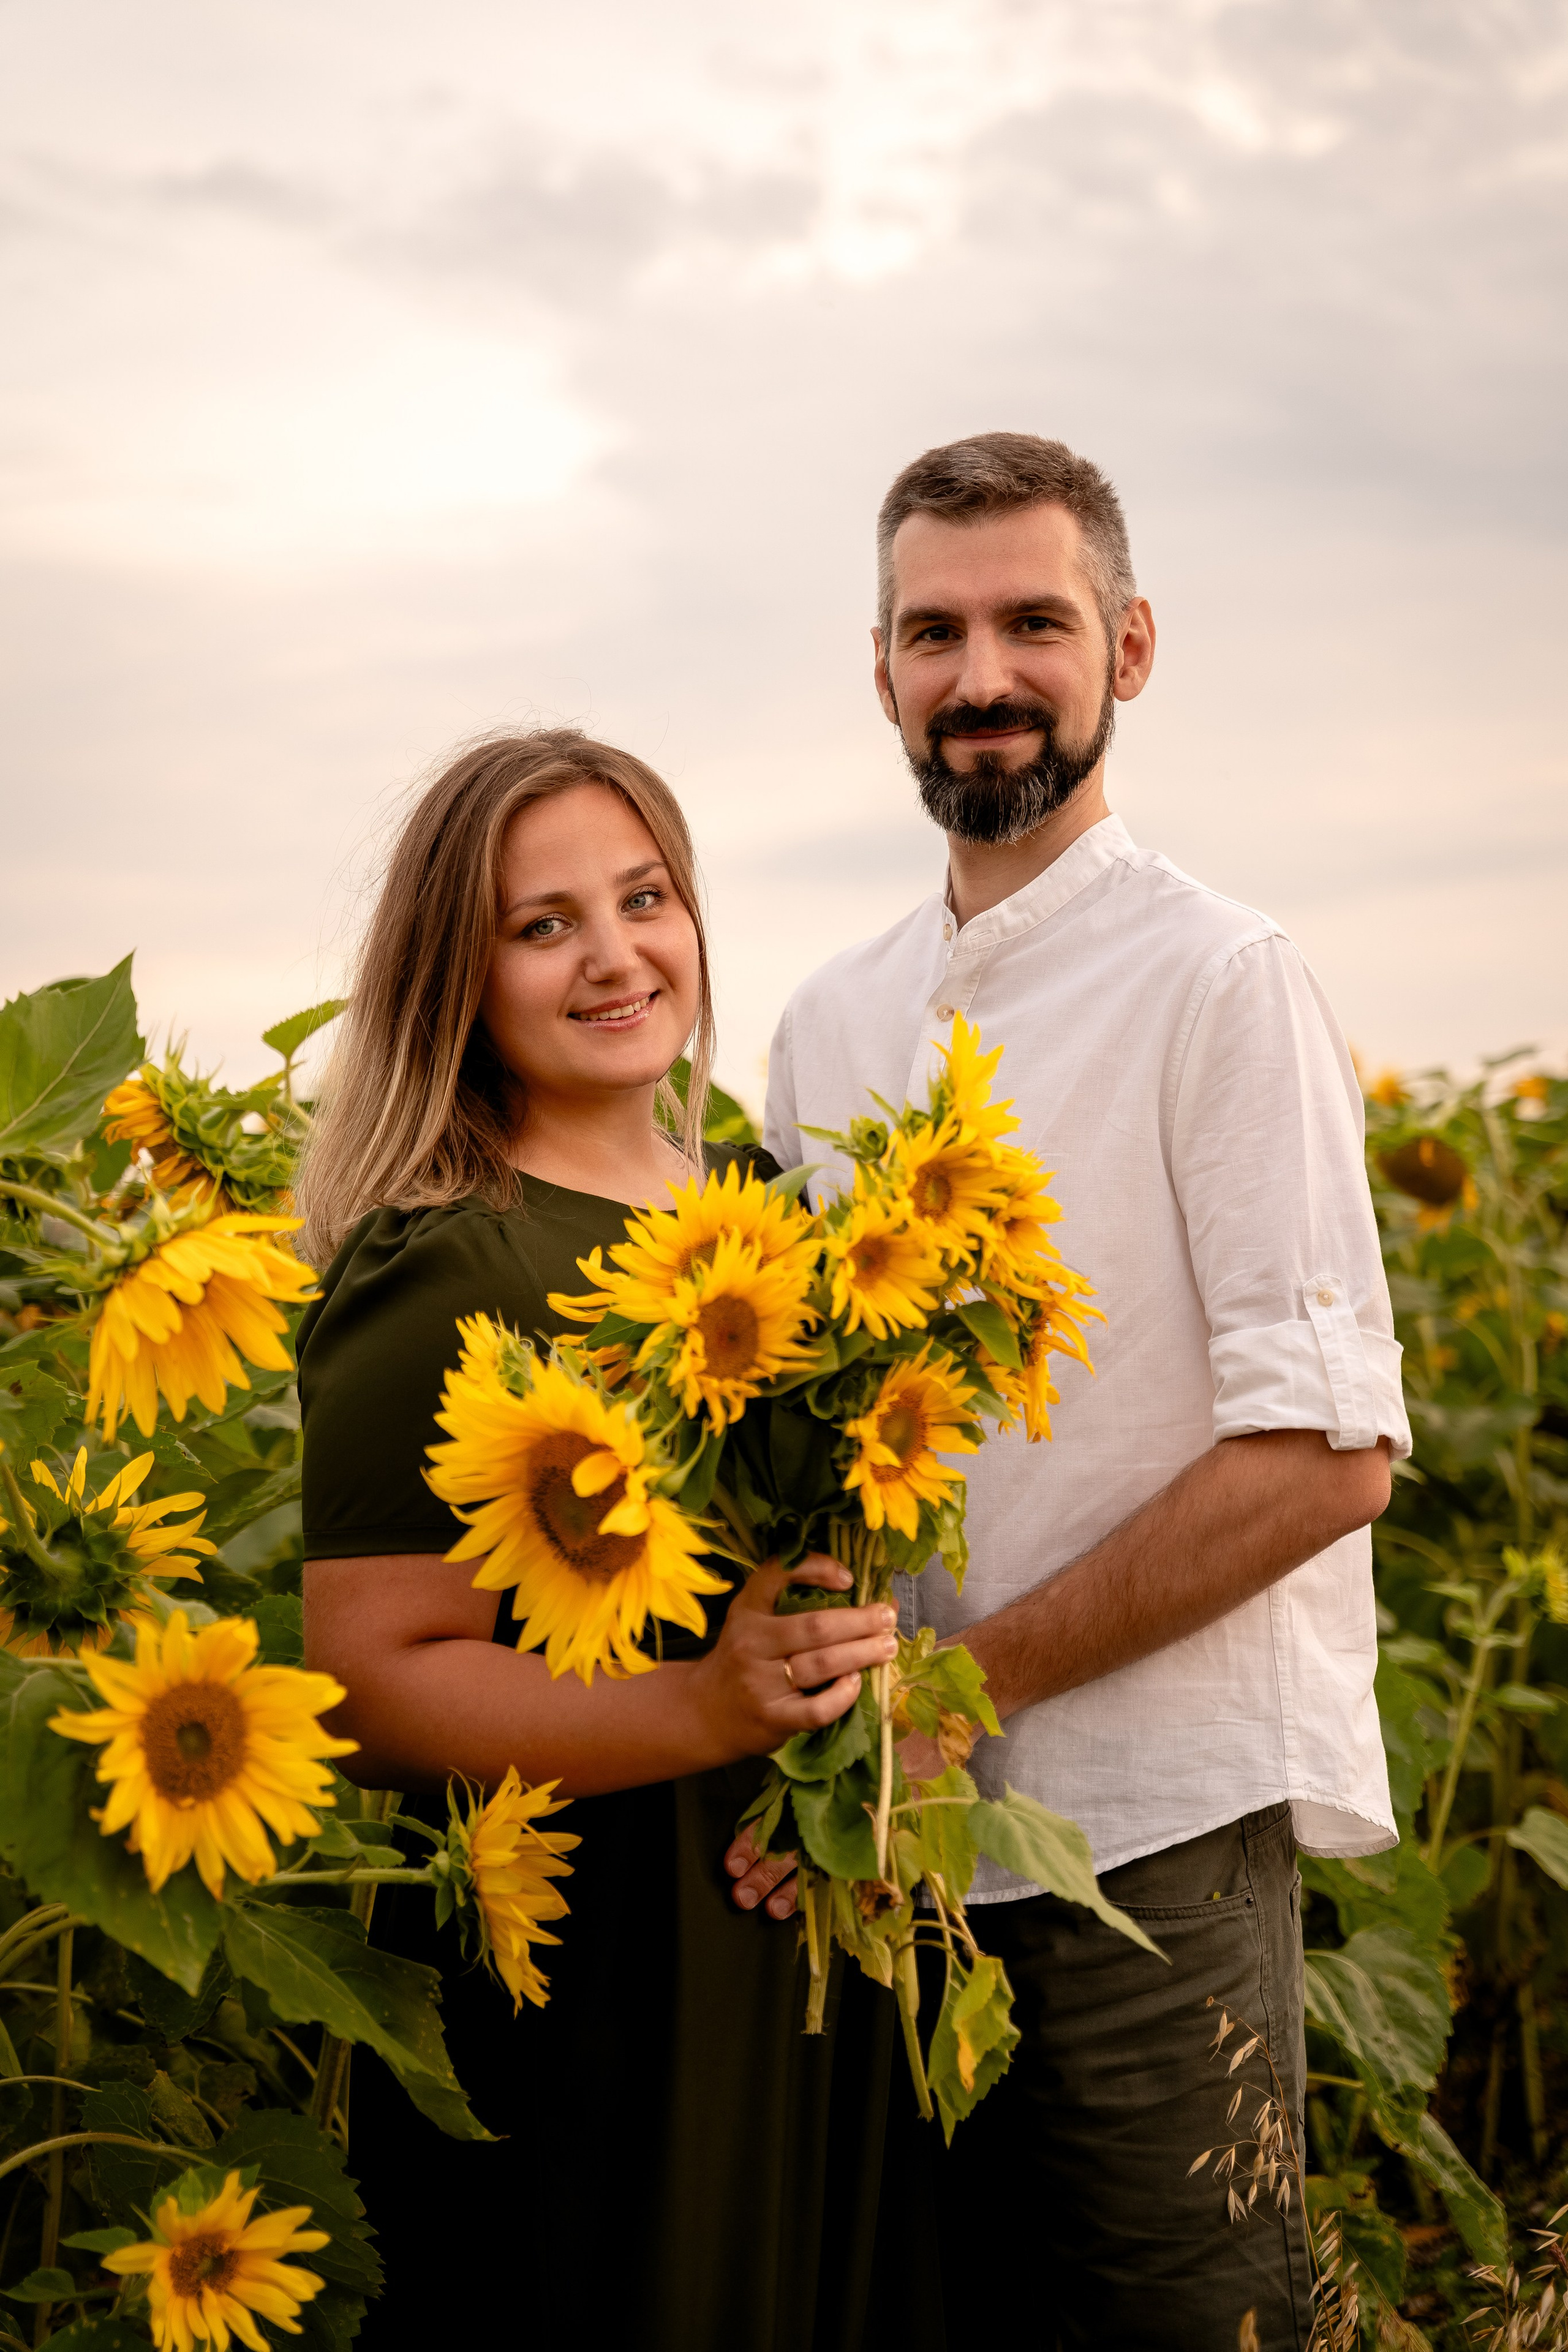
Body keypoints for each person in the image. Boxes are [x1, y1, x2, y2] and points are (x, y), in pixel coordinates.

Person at [738, 434, 1411, 2350]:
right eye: (932, 631)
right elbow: (818, 1438)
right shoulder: (834, 1020)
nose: (981, 675)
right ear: (879, 672)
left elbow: (1327, 1460)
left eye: (1032, 622)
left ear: (1127, 647)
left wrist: (960, 1706)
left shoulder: (1220, 981)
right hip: (888, 1862)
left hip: (1146, 1838)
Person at [294, 730, 908, 2352]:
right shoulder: (450, 1256)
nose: (615, 953)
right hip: (598, 1967)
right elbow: (366, 1680)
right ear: (460, 974)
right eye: (543, 921)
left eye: (645, 897)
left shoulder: (760, 1217)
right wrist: (705, 1711)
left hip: (795, 1928)